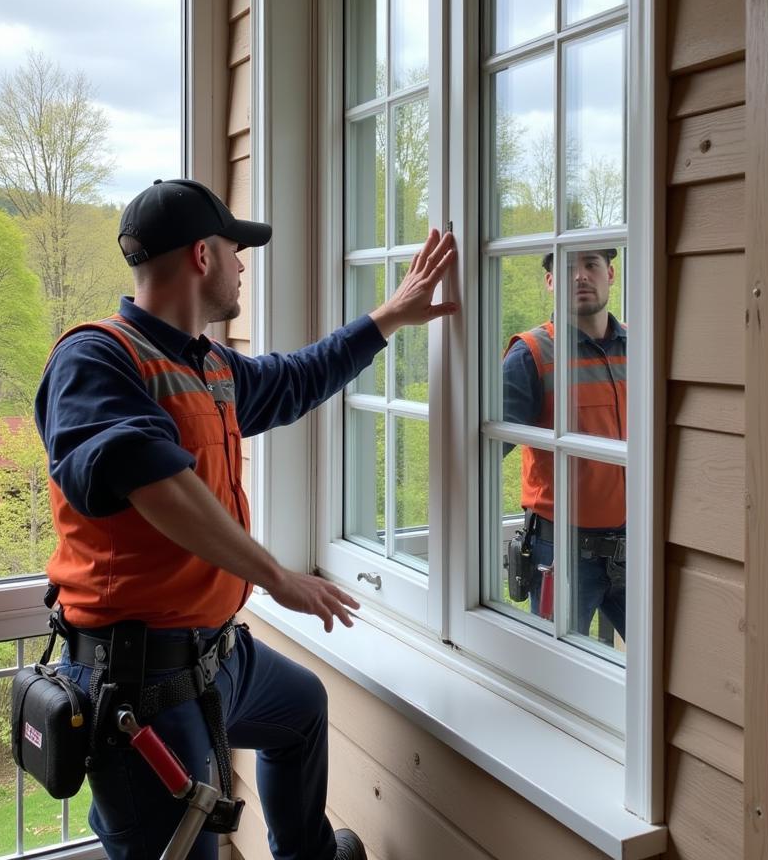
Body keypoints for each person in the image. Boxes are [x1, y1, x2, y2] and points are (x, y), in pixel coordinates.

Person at [34, 178, 457, 860]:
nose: (242, 267)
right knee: (184, 848)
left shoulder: (208, 366)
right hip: (139, 684)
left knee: (299, 711)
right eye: (237, 251)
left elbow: (295, 379)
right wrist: (276, 577)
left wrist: (388, 319)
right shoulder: (95, 359)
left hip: (217, 659)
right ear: (203, 256)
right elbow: (152, 481)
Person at [502, 249, 627, 639]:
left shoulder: (643, 348)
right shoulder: (532, 354)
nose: (580, 276)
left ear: (610, 273)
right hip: (561, 556)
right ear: (551, 282)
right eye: (567, 268)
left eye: (590, 265)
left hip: (637, 550)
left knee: (666, 671)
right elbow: (480, 454)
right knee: (554, 676)